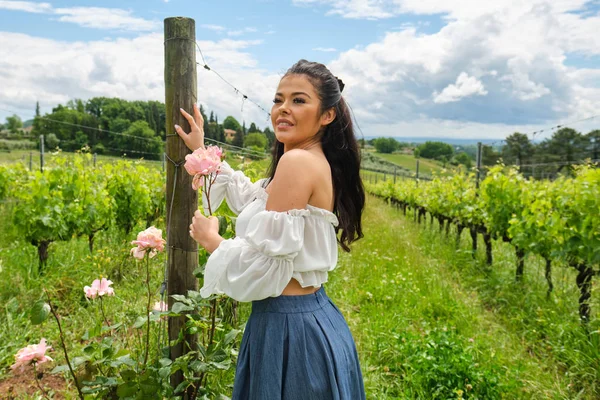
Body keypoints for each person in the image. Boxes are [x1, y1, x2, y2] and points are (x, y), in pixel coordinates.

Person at [175, 59, 366, 399]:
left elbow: (267, 267)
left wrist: (213, 242)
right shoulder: (309, 159)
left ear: (327, 115)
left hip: (288, 329)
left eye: (299, 100)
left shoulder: (297, 162)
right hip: (308, 321)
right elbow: (253, 198)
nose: (283, 109)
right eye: (278, 100)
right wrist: (202, 151)